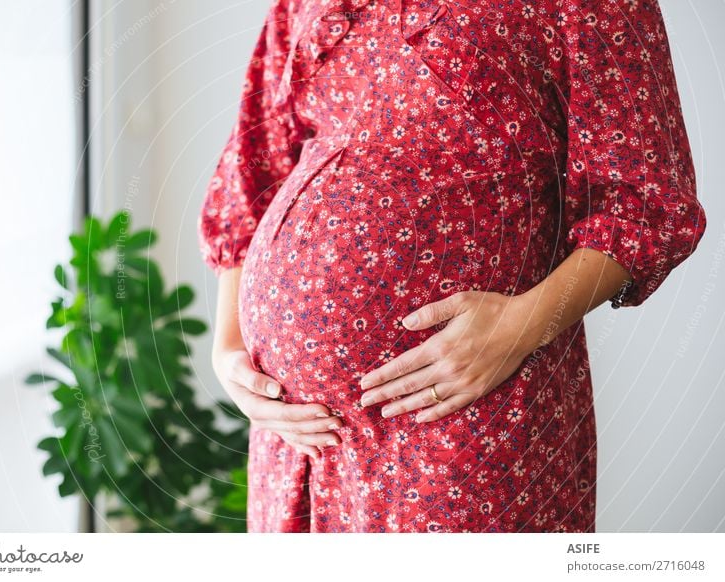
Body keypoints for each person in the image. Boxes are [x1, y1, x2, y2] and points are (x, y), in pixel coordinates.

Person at [197, 0, 707, 532]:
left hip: (469, 408)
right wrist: (229, 350)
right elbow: (253, 168)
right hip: (297, 442)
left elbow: (646, 201)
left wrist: (523, 324)